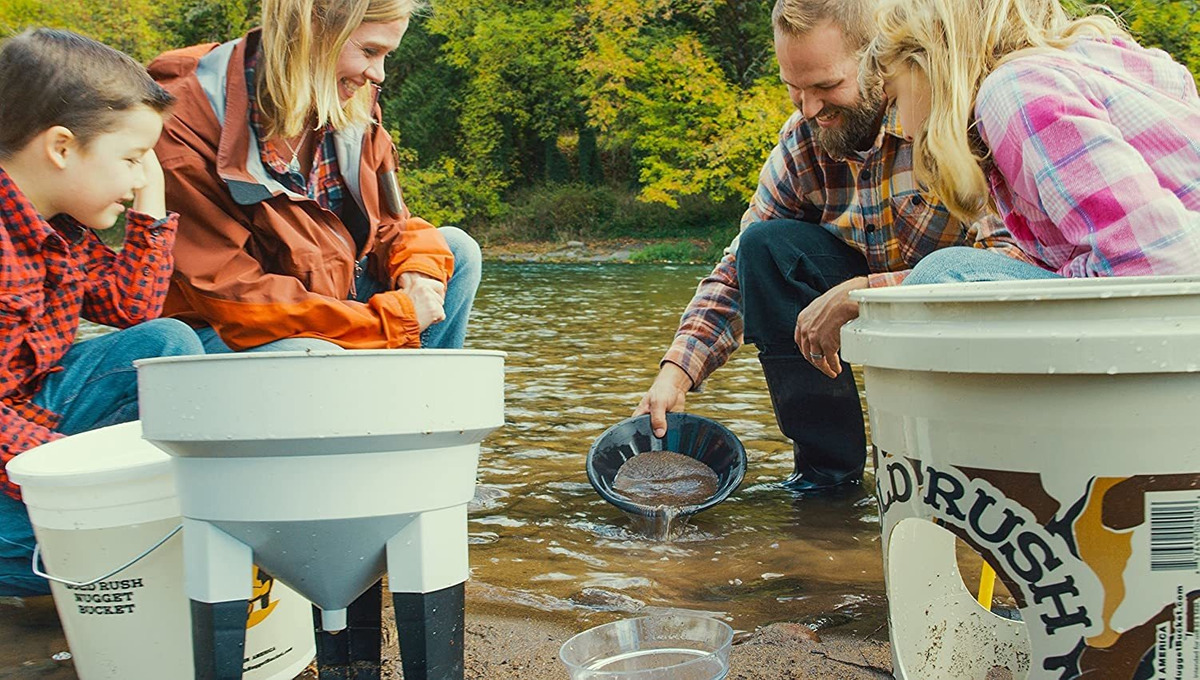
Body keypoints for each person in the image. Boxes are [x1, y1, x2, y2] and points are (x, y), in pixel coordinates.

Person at [634, 0, 1029, 493]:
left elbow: (1014, 264)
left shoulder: (954, 119)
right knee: (764, 247)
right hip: (867, 290)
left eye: (825, 87)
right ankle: (826, 480)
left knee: (953, 479)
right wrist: (676, 372)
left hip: (961, 322)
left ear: (880, 59)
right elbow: (737, 268)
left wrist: (863, 295)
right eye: (793, 89)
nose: (809, 109)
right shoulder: (803, 138)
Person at [148, 0, 482, 354]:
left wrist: (418, 272)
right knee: (306, 351)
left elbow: (391, 224)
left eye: (386, 55)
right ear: (311, 29)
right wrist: (390, 320)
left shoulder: (350, 98)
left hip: (323, 303)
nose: (379, 74)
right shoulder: (185, 118)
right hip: (227, 326)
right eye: (370, 51)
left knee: (455, 252)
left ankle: (421, 404)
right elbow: (235, 296)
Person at [0, 29, 205, 596]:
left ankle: (158, 514)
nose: (142, 175)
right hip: (17, 446)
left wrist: (149, 193)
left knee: (165, 346)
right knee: (107, 547)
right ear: (62, 148)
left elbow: (132, 308)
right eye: (134, 159)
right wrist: (84, 482)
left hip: (30, 417)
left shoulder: (60, 223)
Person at [865, 0, 1200, 285]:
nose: (902, 128)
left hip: (1175, 315)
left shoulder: (1017, 93)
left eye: (894, 97)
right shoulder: (1082, 68)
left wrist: (1064, 277)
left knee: (944, 275)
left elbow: (1161, 262)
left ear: (929, 63)